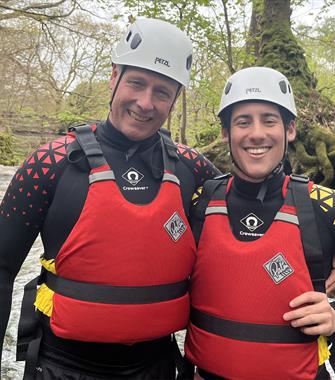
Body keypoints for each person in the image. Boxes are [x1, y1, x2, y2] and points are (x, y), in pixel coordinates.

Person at [0, 18, 222, 380]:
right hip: (61, 367)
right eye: (136, 83)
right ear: (114, 76)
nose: (145, 103)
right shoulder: (50, 163)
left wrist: (323, 239)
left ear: (175, 99)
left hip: (157, 367)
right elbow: (3, 268)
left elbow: (252, 210)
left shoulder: (192, 169)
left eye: (162, 92)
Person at [184, 67, 335, 380]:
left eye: (269, 120)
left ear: (290, 130)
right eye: (243, 121)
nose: (256, 133)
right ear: (225, 133)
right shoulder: (200, 201)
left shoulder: (327, 207)